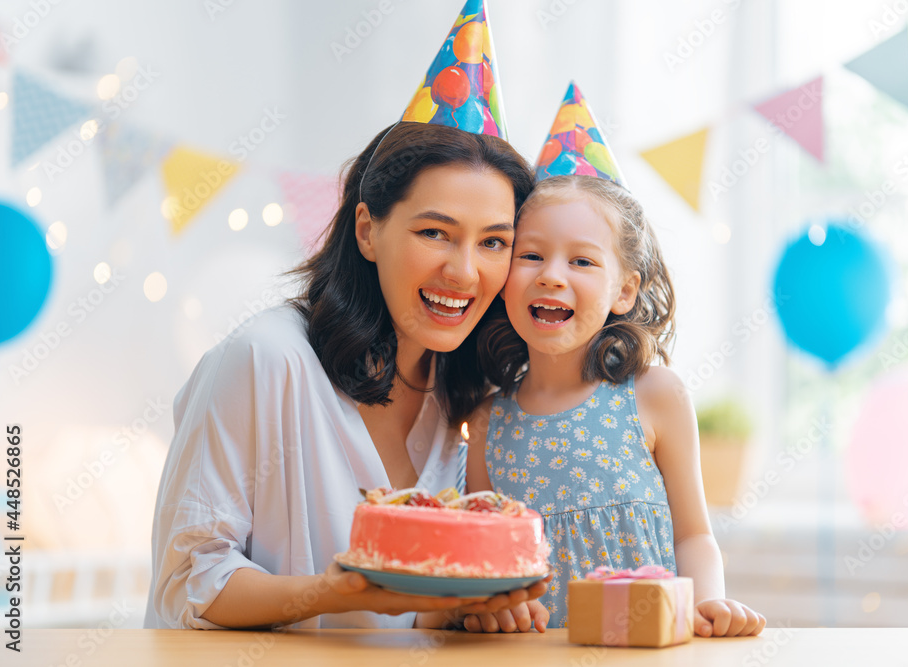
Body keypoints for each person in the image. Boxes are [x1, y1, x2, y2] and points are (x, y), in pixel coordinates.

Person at [144, 0, 553, 631]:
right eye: (436, 233)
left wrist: (466, 613)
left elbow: (412, 622)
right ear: (368, 230)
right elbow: (188, 583)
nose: (465, 271)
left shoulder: (470, 396)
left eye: (494, 242)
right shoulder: (266, 360)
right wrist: (336, 593)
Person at [461, 84, 764, 637]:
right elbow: (485, 565)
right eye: (531, 255)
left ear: (624, 290)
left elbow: (693, 534)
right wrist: (481, 607)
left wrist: (708, 603)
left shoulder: (655, 395)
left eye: (581, 260)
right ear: (505, 277)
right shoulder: (485, 425)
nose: (552, 274)